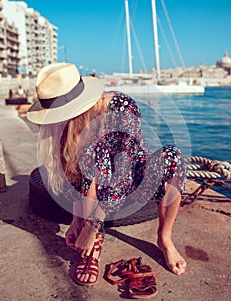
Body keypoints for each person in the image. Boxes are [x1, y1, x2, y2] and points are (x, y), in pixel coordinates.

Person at [27, 62, 187, 286]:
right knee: (87, 154)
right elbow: (74, 174)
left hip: (132, 180)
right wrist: (76, 220)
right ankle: (92, 246)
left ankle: (165, 239)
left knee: (174, 157)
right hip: (94, 187)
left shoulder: (122, 109)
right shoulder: (71, 128)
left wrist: (92, 228)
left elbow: (121, 176)